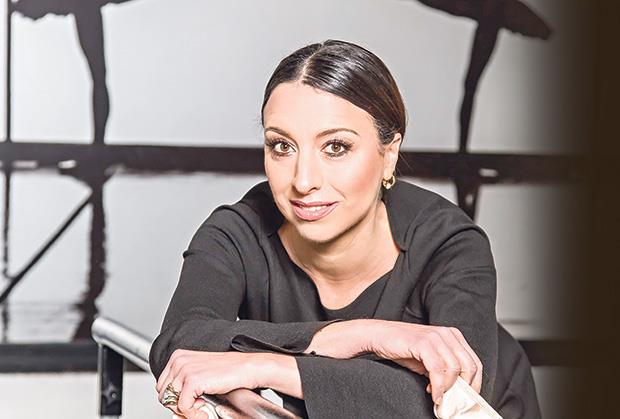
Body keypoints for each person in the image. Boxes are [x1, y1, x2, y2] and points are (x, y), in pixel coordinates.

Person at [149, 39, 540, 419]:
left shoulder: (449, 243)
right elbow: (179, 345)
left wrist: (266, 367)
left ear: (389, 154)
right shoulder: (238, 232)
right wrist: (357, 336)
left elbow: (453, 401)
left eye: (335, 147)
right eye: (282, 146)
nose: (303, 180)